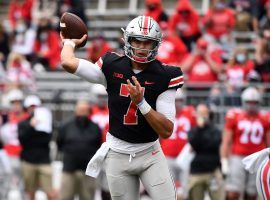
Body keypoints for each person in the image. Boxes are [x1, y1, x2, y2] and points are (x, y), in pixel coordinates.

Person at [60, 15, 184, 200]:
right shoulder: (111, 65)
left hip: (150, 152)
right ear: (128, 39)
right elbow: (68, 63)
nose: (141, 47)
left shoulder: (166, 75)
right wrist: (69, 43)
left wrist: (141, 103)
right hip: (117, 153)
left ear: (156, 44)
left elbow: (166, 130)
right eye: (137, 41)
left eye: (147, 43)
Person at [220, 87, 270, 200]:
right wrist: (224, 160)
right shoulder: (234, 115)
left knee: (252, 194)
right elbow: (226, 141)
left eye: (254, 102)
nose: (251, 105)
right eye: (249, 102)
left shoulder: (265, 118)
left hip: (257, 158)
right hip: (238, 157)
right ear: (243, 102)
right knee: (233, 192)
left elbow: (269, 143)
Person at [57, 100, 102, 200]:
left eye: (85, 110)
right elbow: (59, 143)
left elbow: (98, 145)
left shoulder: (95, 128)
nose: (82, 113)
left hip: (88, 171)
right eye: (80, 110)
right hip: (69, 169)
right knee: (65, 197)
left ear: (89, 111)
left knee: (87, 197)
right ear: (76, 111)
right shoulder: (66, 126)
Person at [18, 95, 55, 200]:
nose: (33, 109)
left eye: (35, 106)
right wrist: (31, 127)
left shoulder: (46, 122)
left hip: (44, 160)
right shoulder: (23, 123)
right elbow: (22, 141)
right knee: (30, 192)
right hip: (28, 161)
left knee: (50, 192)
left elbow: (47, 139)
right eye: (31, 107)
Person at [187, 104, 224, 200]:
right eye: (200, 113)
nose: (202, 116)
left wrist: (202, 141)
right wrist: (200, 128)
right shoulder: (194, 130)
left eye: (204, 113)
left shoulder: (215, 130)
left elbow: (214, 144)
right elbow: (195, 144)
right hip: (197, 171)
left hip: (213, 170)